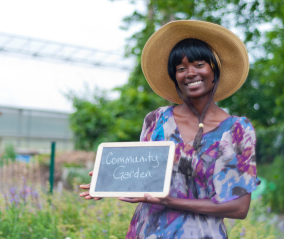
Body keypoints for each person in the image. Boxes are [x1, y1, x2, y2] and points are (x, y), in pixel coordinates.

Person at [80, 20, 261, 239]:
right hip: (148, 231)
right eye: (181, 68)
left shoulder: (237, 131)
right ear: (175, 77)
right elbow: (143, 176)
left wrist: (170, 201)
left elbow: (239, 208)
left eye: (199, 64)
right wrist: (108, 183)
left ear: (215, 70)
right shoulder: (156, 121)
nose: (190, 73)